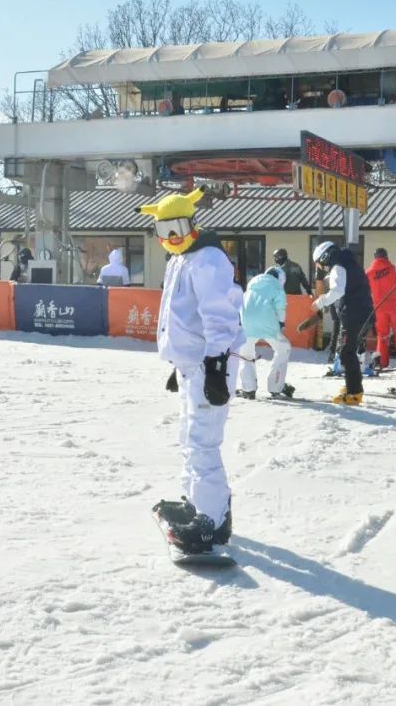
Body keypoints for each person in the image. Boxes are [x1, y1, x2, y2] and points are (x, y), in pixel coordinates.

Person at [140, 187, 243, 554]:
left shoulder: (208, 259)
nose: (172, 238)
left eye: (178, 228)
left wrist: (215, 365)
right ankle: (197, 502)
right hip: (191, 365)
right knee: (188, 437)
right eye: (164, 232)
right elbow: (179, 318)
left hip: (208, 365)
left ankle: (211, 520)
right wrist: (177, 359)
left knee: (203, 441)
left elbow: (219, 316)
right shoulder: (179, 260)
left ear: (193, 223)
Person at [311, 240, 373, 405]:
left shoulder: (338, 267)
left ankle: (354, 393)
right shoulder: (349, 263)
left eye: (320, 264)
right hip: (363, 313)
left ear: (325, 257)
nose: (322, 268)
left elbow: (337, 291)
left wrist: (320, 302)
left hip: (354, 315)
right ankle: (352, 386)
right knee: (348, 351)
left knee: (346, 353)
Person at [238, 266, 294, 400]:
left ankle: (248, 388)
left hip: (247, 322)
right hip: (268, 323)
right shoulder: (276, 286)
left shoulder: (251, 285)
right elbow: (280, 307)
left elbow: (243, 303)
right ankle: (275, 386)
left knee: (246, 354)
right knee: (283, 348)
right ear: (280, 278)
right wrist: (281, 323)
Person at [365, 248, 396, 369]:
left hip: (378, 307)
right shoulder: (393, 270)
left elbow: (365, 291)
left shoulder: (369, 273)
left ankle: (382, 361)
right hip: (394, 306)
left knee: (382, 334)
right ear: (386, 256)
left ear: (375, 257)